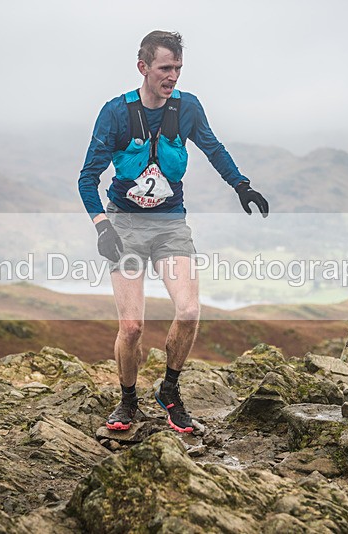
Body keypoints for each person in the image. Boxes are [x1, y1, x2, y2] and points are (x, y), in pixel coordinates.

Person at [78, 30, 268, 433]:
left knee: (189, 311)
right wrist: (102, 226)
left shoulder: (188, 108)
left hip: (170, 225)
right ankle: (127, 402)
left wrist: (241, 185)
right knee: (131, 327)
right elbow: (87, 178)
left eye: (178, 68)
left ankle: (169, 390)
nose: (173, 76)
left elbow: (213, 148)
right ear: (143, 67)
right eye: (165, 68)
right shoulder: (114, 113)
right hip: (125, 225)